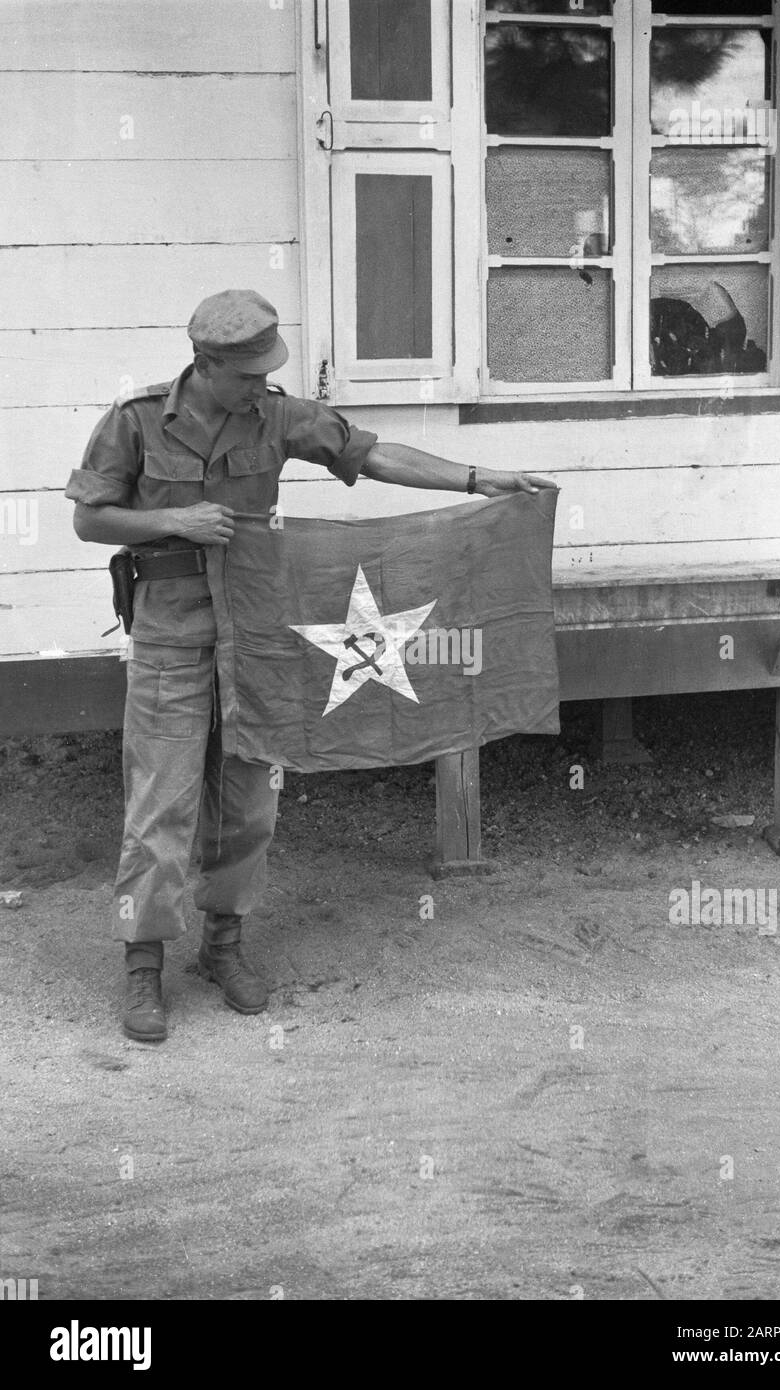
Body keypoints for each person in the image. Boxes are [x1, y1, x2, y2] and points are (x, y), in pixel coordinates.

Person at [66, 289, 556, 1042]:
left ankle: (222, 947)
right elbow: (88, 516)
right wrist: (173, 520)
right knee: (159, 803)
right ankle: (142, 964)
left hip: (259, 629)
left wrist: (474, 478)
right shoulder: (135, 421)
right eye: (246, 375)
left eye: (267, 373)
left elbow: (368, 452)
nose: (260, 386)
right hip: (170, 633)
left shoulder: (278, 414)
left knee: (250, 795)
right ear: (204, 364)